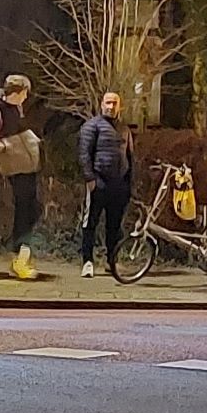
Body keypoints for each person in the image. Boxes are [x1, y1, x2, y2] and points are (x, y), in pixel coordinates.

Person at [0, 73, 42, 279]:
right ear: (17, 92)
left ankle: (21, 253)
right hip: (14, 165)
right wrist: (0, 145)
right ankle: (19, 255)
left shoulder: (17, 109)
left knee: (32, 208)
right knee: (25, 208)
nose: (26, 98)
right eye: (24, 93)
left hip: (27, 164)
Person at [76, 91, 135, 277]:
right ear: (102, 105)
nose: (111, 106)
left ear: (120, 106)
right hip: (99, 182)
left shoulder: (124, 129)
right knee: (90, 223)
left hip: (119, 186)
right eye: (108, 102)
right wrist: (90, 179)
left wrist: (128, 184)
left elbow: (129, 157)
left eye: (114, 103)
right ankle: (87, 262)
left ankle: (112, 262)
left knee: (114, 226)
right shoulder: (91, 126)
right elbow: (84, 154)